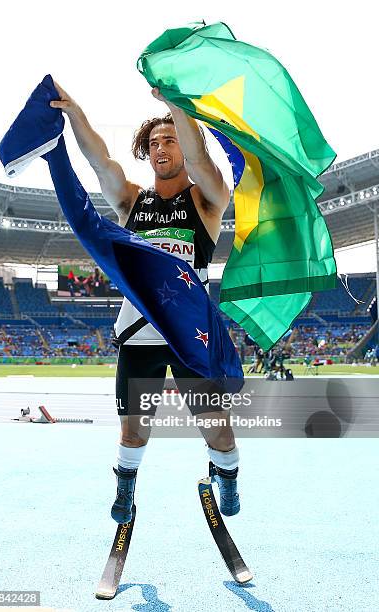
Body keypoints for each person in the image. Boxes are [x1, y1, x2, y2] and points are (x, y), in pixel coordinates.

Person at [50, 82, 241, 524]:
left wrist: (175, 107)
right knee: (133, 432)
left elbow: (199, 161)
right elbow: (101, 163)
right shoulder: (133, 201)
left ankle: (227, 477)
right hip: (139, 333)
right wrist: (75, 111)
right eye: (154, 142)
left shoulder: (206, 200)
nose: (161, 147)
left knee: (216, 427)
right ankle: (126, 488)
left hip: (191, 335)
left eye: (169, 138)